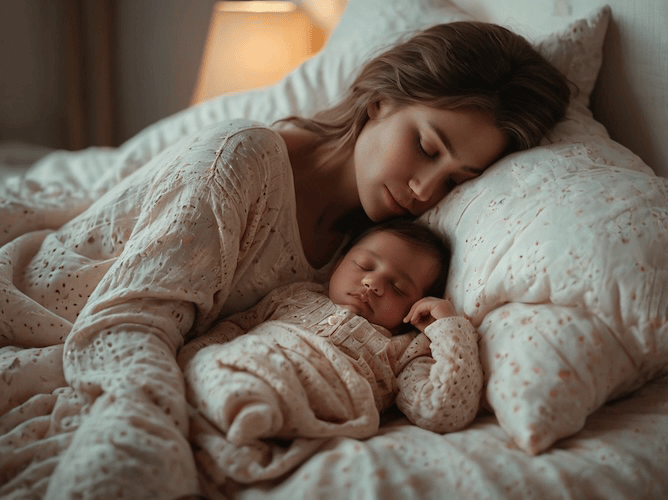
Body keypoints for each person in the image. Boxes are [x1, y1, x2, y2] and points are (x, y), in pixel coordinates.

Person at [0, 20, 570, 499]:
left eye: (454, 179)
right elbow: (128, 324)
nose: (424, 189)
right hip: (42, 315)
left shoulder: (376, 254)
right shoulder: (242, 157)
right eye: (425, 147)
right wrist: (144, 446)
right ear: (379, 102)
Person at [176, 219, 482, 484]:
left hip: (306, 398)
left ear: (416, 306)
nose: (373, 283)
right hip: (240, 364)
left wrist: (449, 328)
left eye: (399, 288)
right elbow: (235, 329)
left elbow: (441, 411)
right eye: (364, 265)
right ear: (338, 264)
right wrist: (192, 358)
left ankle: (236, 425)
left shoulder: (403, 349)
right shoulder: (296, 295)